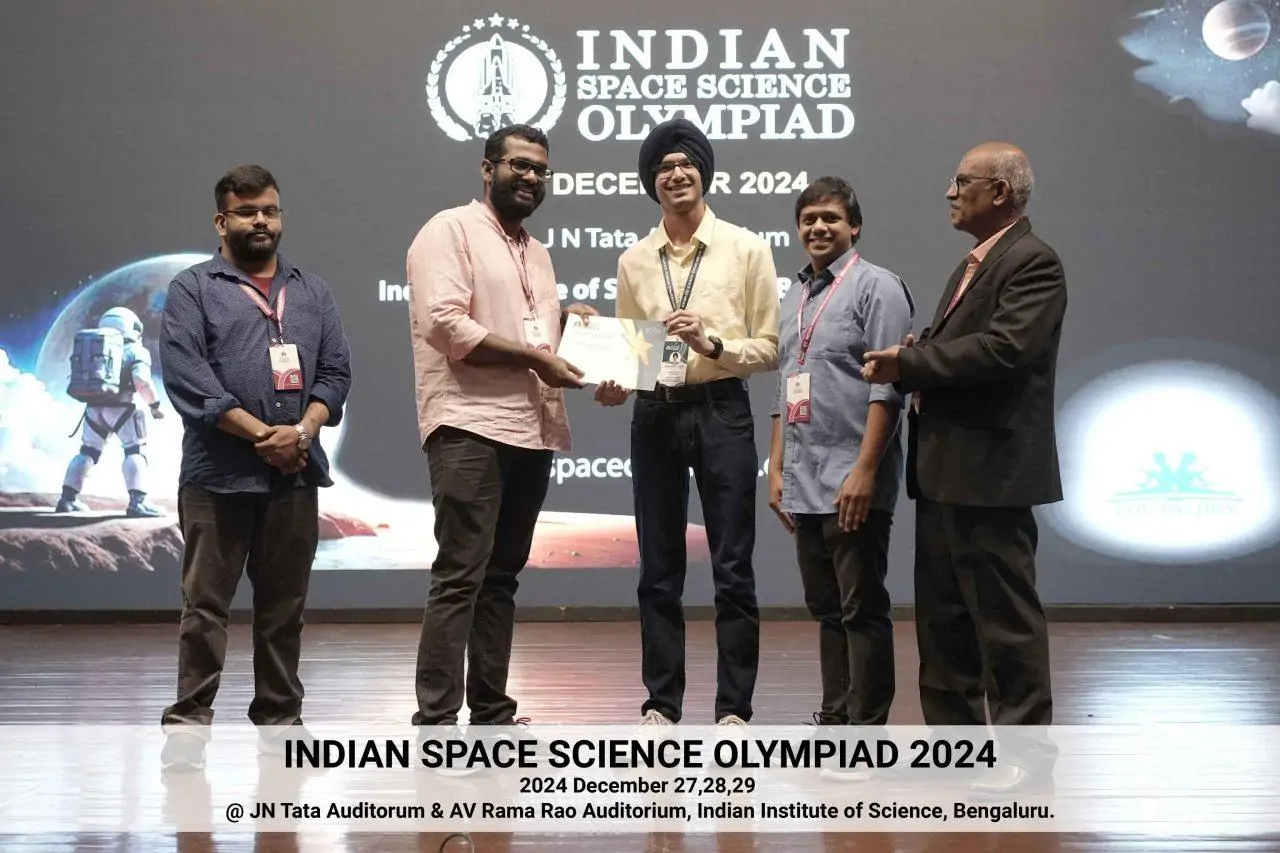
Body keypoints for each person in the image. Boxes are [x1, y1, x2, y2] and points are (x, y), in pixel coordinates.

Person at [863, 142, 1066, 794]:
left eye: (961, 182)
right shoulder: (972, 264)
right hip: (945, 471)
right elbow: (958, 347)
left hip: (992, 473)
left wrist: (910, 362)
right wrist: (917, 352)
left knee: (1004, 622)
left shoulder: (1033, 262)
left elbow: (1005, 350)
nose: (950, 193)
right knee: (944, 622)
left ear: (999, 191)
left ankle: (1026, 758)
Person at [157, 164, 353, 771]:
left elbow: (335, 374)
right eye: (246, 212)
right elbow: (189, 381)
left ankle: (280, 719)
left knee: (283, 608)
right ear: (222, 221)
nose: (261, 221)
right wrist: (263, 435)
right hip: (216, 477)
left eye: (270, 210)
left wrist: (302, 432)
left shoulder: (312, 291)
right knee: (205, 607)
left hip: (293, 474)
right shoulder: (193, 289)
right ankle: (189, 725)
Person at [407, 124, 595, 737]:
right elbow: (446, 326)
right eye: (519, 165)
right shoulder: (449, 230)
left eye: (541, 169)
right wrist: (537, 357)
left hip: (530, 430)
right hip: (469, 425)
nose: (531, 177)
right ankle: (437, 721)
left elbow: (526, 331)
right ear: (488, 169)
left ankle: (491, 713)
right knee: (461, 574)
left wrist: (567, 325)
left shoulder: (536, 252)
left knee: (501, 579)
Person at [596, 118, 780, 727]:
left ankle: (734, 709)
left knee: (732, 565)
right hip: (655, 411)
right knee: (658, 568)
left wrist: (712, 343)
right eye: (664, 167)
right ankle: (661, 703)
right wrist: (614, 381)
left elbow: (770, 348)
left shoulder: (747, 248)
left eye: (686, 164)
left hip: (722, 406)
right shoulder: (633, 260)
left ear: (704, 173)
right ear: (652, 182)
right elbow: (633, 352)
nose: (676, 174)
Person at [767, 178, 914, 748]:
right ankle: (835, 719)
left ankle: (868, 731)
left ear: (854, 226)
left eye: (830, 217)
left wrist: (866, 471)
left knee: (861, 608)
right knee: (827, 608)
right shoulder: (795, 296)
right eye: (808, 219)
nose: (818, 228)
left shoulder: (878, 287)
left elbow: (888, 387)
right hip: (803, 480)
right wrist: (776, 468)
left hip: (853, 478)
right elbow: (786, 385)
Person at [56, 306, 165, 517]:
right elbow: (142, 381)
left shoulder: (94, 346)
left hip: (93, 408)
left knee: (87, 452)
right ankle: (138, 503)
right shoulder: (136, 351)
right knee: (134, 451)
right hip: (123, 409)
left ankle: (67, 500)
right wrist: (155, 405)